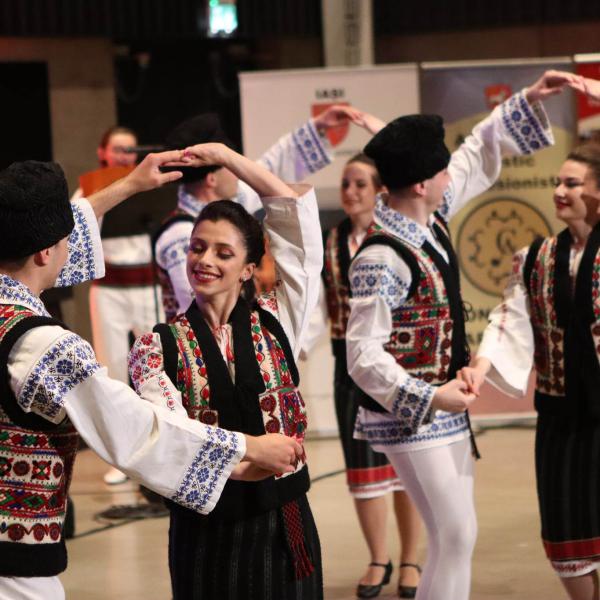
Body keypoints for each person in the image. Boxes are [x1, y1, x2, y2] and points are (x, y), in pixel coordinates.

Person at [0, 154, 303, 600]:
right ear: (47, 251)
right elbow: (134, 429)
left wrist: (128, 186)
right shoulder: (47, 346)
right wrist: (247, 447)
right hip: (12, 563)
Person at [345, 70, 579, 600]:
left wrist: (527, 99)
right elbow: (361, 355)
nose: (452, 177)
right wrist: (430, 396)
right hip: (413, 411)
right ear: (421, 183)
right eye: (442, 172)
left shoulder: (429, 219)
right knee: (455, 535)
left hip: (442, 403)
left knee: (457, 535)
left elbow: (475, 154)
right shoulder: (382, 257)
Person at [128, 142, 323, 599]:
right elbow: (169, 438)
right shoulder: (156, 347)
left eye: (223, 253)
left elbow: (297, 226)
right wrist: (247, 459)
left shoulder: (277, 319)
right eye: (197, 248)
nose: (205, 261)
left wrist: (227, 157)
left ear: (248, 269)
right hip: (207, 534)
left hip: (286, 522)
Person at [459, 137, 600, 598]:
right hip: (561, 415)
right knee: (565, 530)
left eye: (572, 183)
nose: (560, 190)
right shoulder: (536, 258)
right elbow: (509, 320)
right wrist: (480, 367)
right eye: (558, 182)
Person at [302, 149, 423, 599]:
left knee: (406, 466)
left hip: (396, 363)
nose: (351, 192)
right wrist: (294, 349)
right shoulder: (331, 242)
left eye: (360, 184)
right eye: (346, 184)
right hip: (349, 369)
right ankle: (378, 556)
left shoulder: (396, 238)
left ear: (380, 191)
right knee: (363, 469)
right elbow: (317, 307)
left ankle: (410, 558)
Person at [153, 105, 365, 322]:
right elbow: (199, 303)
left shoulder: (228, 206)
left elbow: (269, 171)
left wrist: (318, 127)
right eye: (230, 167)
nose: (239, 174)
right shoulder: (181, 233)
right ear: (212, 179)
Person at [72, 126, 163, 485]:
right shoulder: (91, 187)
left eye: (130, 149)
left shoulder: (150, 183)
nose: (125, 155)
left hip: (148, 285)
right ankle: (120, 457)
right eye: (118, 149)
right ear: (103, 152)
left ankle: (161, 449)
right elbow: (77, 227)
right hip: (110, 288)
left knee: (157, 366)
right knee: (111, 370)